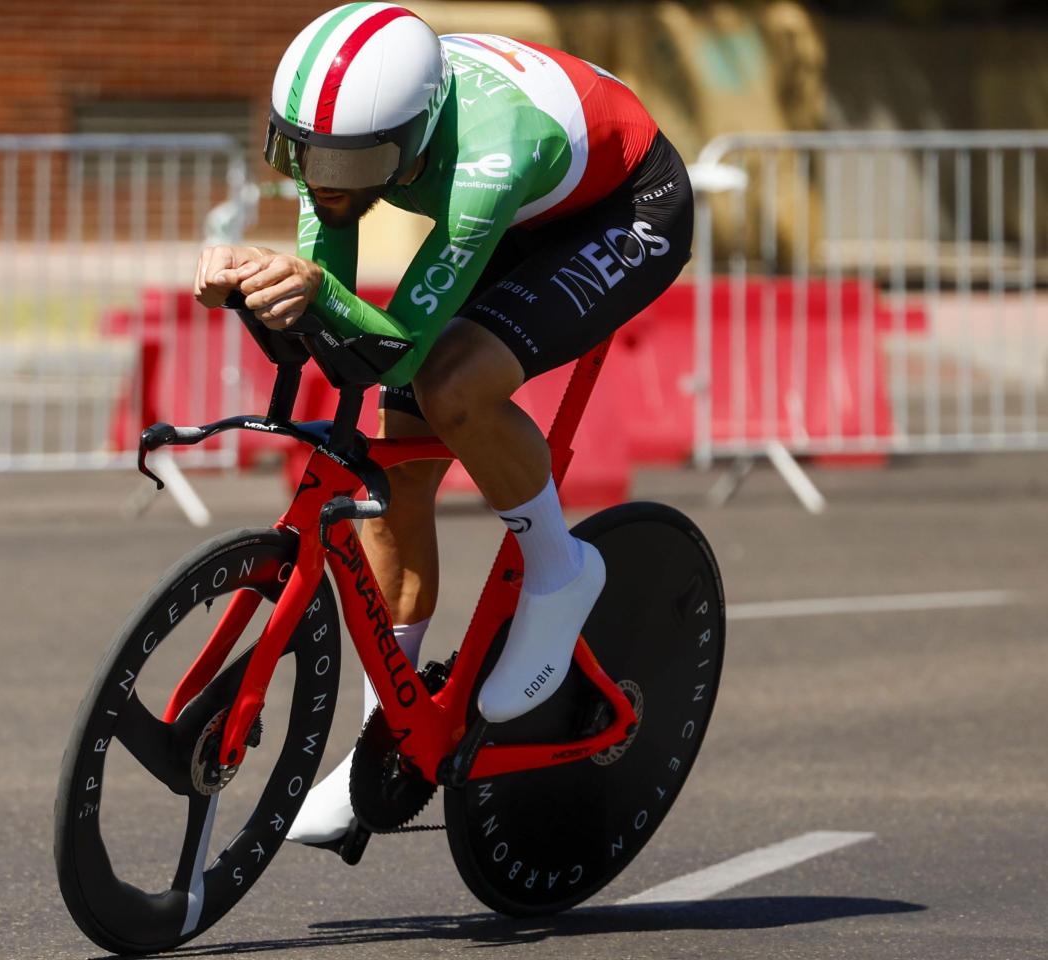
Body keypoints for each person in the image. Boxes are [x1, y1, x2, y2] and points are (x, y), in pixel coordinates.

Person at [193, 2, 694, 847]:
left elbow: (396, 348)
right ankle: (381, 739)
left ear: (414, 134)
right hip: (526, 209)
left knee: (450, 383)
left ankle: (559, 570)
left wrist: (314, 292)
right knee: (396, 457)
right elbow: (331, 290)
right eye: (301, 152)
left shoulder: (489, 158)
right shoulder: (346, 133)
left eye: (353, 160)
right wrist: (265, 283)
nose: (325, 177)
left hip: (626, 207)